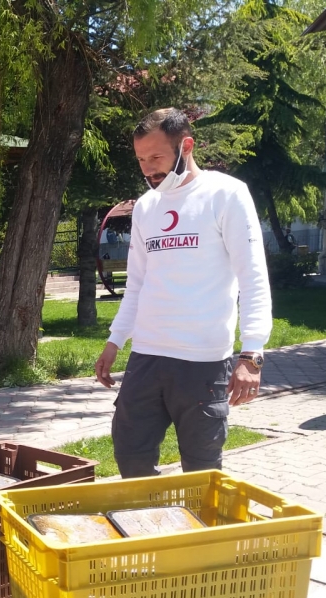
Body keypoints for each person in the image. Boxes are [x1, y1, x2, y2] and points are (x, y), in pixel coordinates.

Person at [94, 108, 272, 478]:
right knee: (131, 455)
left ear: (186, 145)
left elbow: (253, 277)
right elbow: (138, 284)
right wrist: (114, 342)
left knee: (201, 468)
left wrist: (252, 355)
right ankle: (148, 528)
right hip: (147, 356)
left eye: (156, 157)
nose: (147, 169)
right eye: (141, 159)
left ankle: (197, 533)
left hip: (203, 361)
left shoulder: (226, 194)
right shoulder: (146, 206)